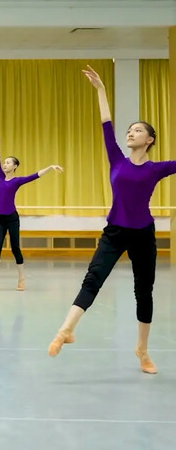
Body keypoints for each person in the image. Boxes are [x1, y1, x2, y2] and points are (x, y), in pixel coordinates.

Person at [47, 65, 174, 375]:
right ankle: (66, 329)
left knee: (143, 291)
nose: (131, 133)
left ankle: (142, 350)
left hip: (143, 234)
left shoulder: (156, 168)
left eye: (138, 130)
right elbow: (106, 123)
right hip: (115, 231)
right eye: (129, 130)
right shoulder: (116, 159)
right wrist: (101, 89)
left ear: (150, 140)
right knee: (94, 277)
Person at [0, 131, 63, 291]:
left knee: (15, 248)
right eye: (5, 163)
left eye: (8, 163)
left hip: (12, 219)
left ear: (15, 166)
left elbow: (35, 176)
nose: (5, 165)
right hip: (0, 218)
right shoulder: (1, 177)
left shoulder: (17, 181)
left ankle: (21, 278)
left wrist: (50, 167)